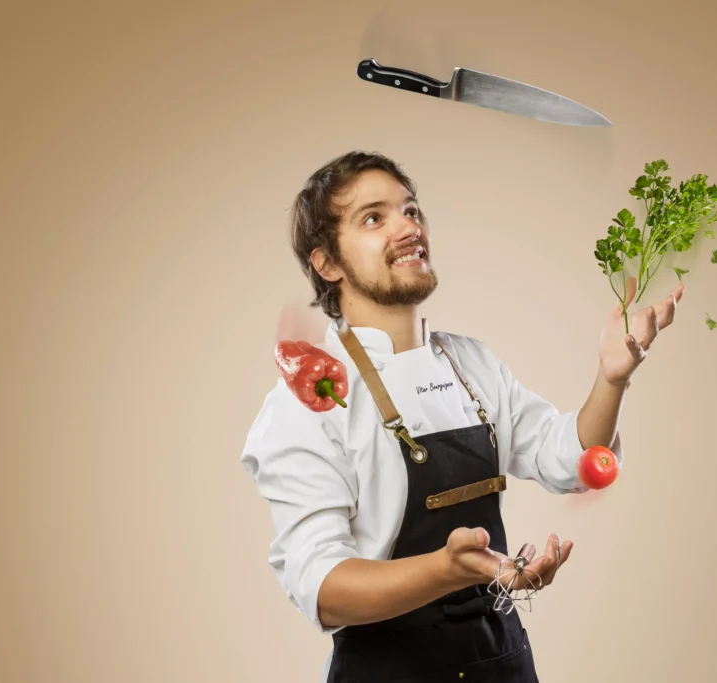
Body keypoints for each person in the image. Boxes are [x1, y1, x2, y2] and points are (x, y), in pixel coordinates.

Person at [239, 151, 683, 682]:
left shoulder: (470, 362)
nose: (408, 227)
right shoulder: (312, 397)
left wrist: (613, 379)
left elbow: (569, 459)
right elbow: (324, 588)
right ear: (327, 263)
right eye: (374, 218)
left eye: (411, 210)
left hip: (501, 660)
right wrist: (447, 570)